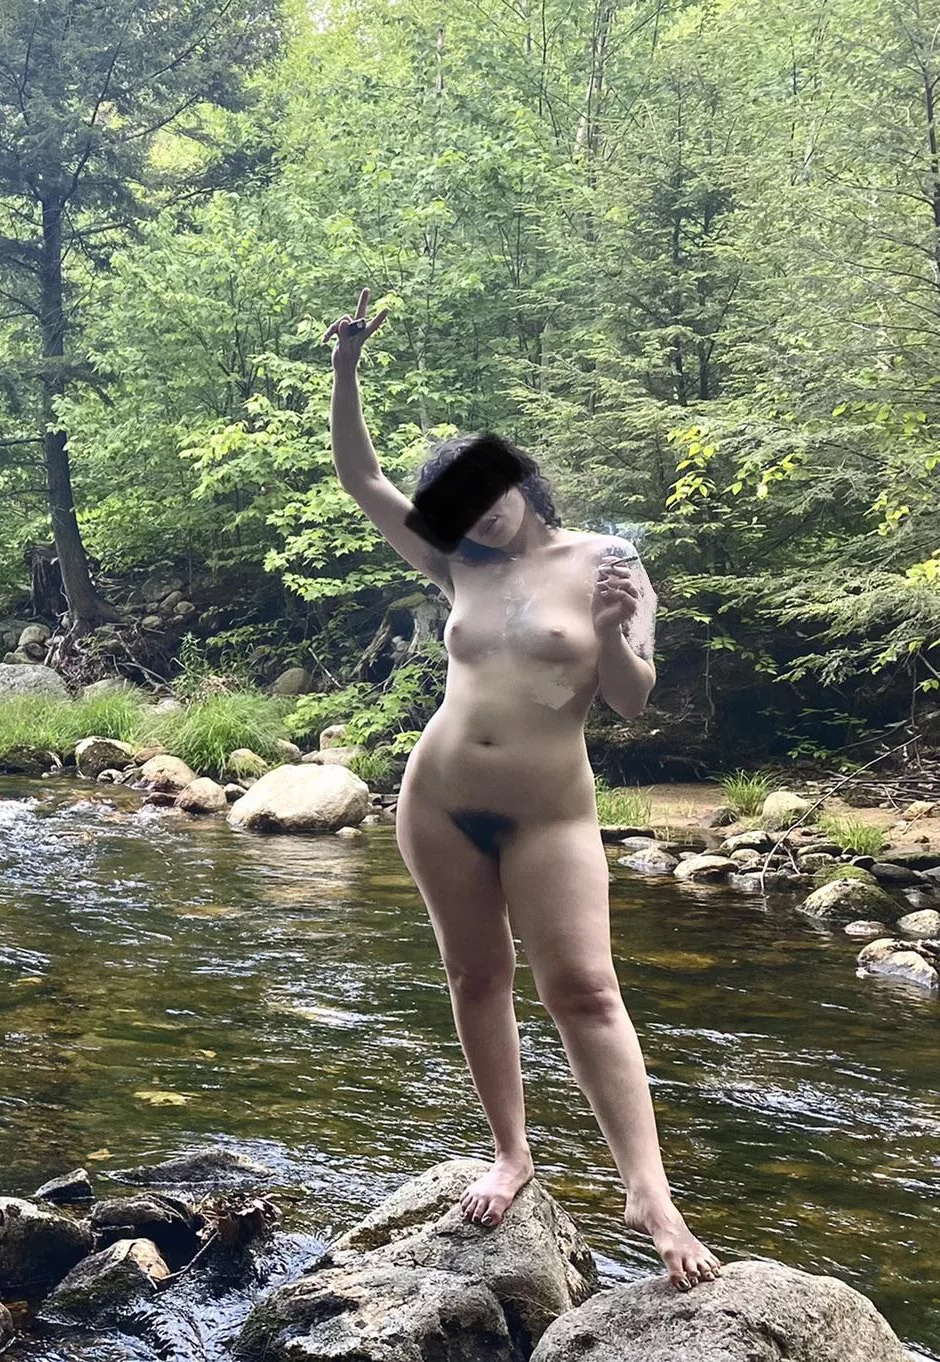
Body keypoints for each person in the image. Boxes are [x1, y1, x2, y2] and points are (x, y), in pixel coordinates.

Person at [323, 289, 721, 1289]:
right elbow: (362, 478)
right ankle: (512, 1151)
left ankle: (651, 1195)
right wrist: (345, 367)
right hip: (439, 798)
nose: (479, 511)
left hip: (551, 809)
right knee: (475, 979)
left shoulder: (612, 560)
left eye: (486, 488)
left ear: (519, 478)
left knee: (585, 989)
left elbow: (632, 702)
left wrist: (628, 627)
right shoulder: (459, 566)